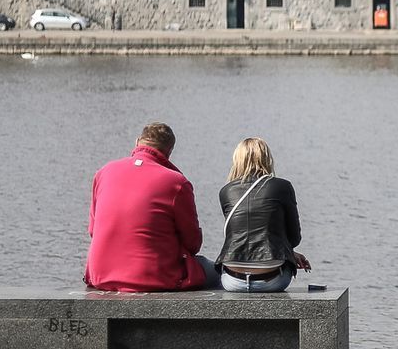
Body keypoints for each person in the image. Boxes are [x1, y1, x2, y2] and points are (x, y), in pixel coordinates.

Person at [85, 122, 207, 292]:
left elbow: (93, 231)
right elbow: (192, 242)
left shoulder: (103, 173)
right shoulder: (177, 183)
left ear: (137, 142)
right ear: (169, 152)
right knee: (215, 272)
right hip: (154, 277)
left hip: (101, 275)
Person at [211, 136, 310, 292]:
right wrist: (289, 252)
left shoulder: (226, 191)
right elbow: (294, 238)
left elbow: (240, 235)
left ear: (237, 160)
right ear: (267, 158)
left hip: (232, 280)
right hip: (272, 279)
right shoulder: (282, 187)